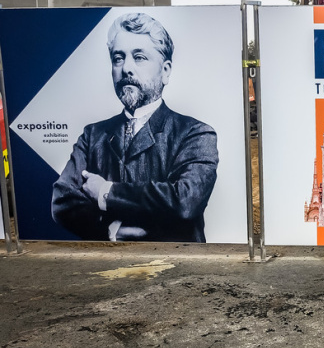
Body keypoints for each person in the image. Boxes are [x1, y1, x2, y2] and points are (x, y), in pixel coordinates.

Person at [52, 13, 219, 242]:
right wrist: (110, 230)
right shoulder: (92, 136)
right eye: (118, 58)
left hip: (175, 271)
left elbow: (184, 202)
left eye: (139, 57)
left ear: (166, 71)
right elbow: (63, 201)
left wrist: (105, 192)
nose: (126, 68)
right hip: (105, 269)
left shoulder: (195, 134)